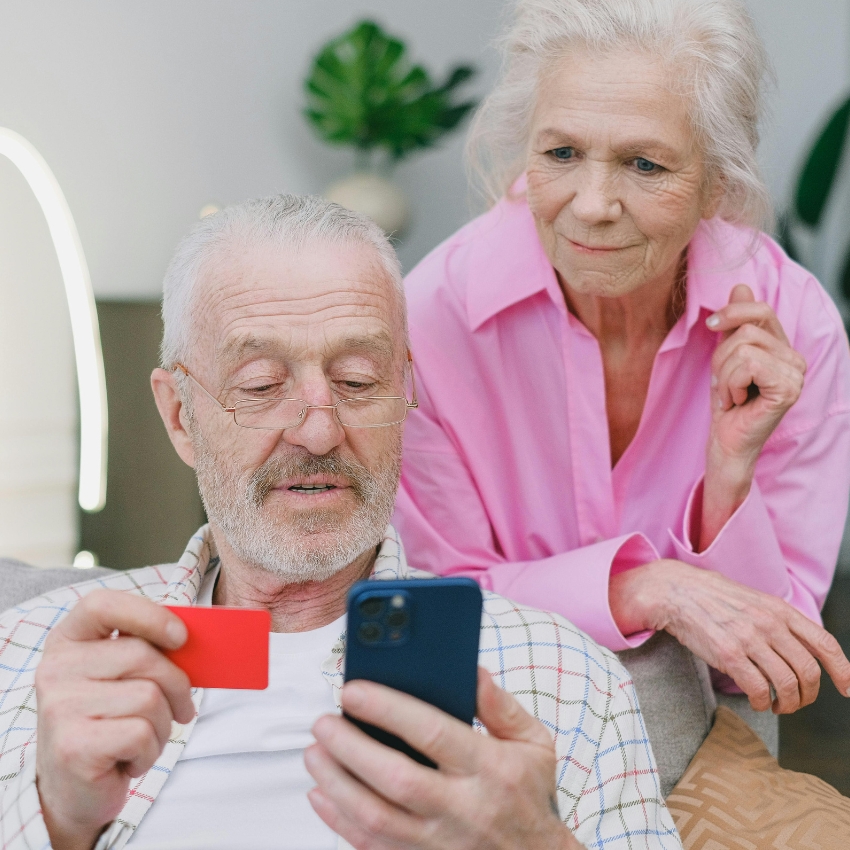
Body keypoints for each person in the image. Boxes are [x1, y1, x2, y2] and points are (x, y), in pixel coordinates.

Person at [0, 195, 681, 850]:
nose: (321, 430)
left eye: (357, 380)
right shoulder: (28, 654)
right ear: (181, 415)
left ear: (406, 392)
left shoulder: (567, 679)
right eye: (262, 385)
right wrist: (57, 818)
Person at [393, 0, 850, 722]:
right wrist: (647, 587)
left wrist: (729, 478)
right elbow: (433, 611)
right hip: (494, 714)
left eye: (645, 163)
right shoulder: (427, 324)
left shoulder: (795, 325)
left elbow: (767, 666)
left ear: (717, 184)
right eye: (562, 154)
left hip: (712, 721)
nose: (594, 204)